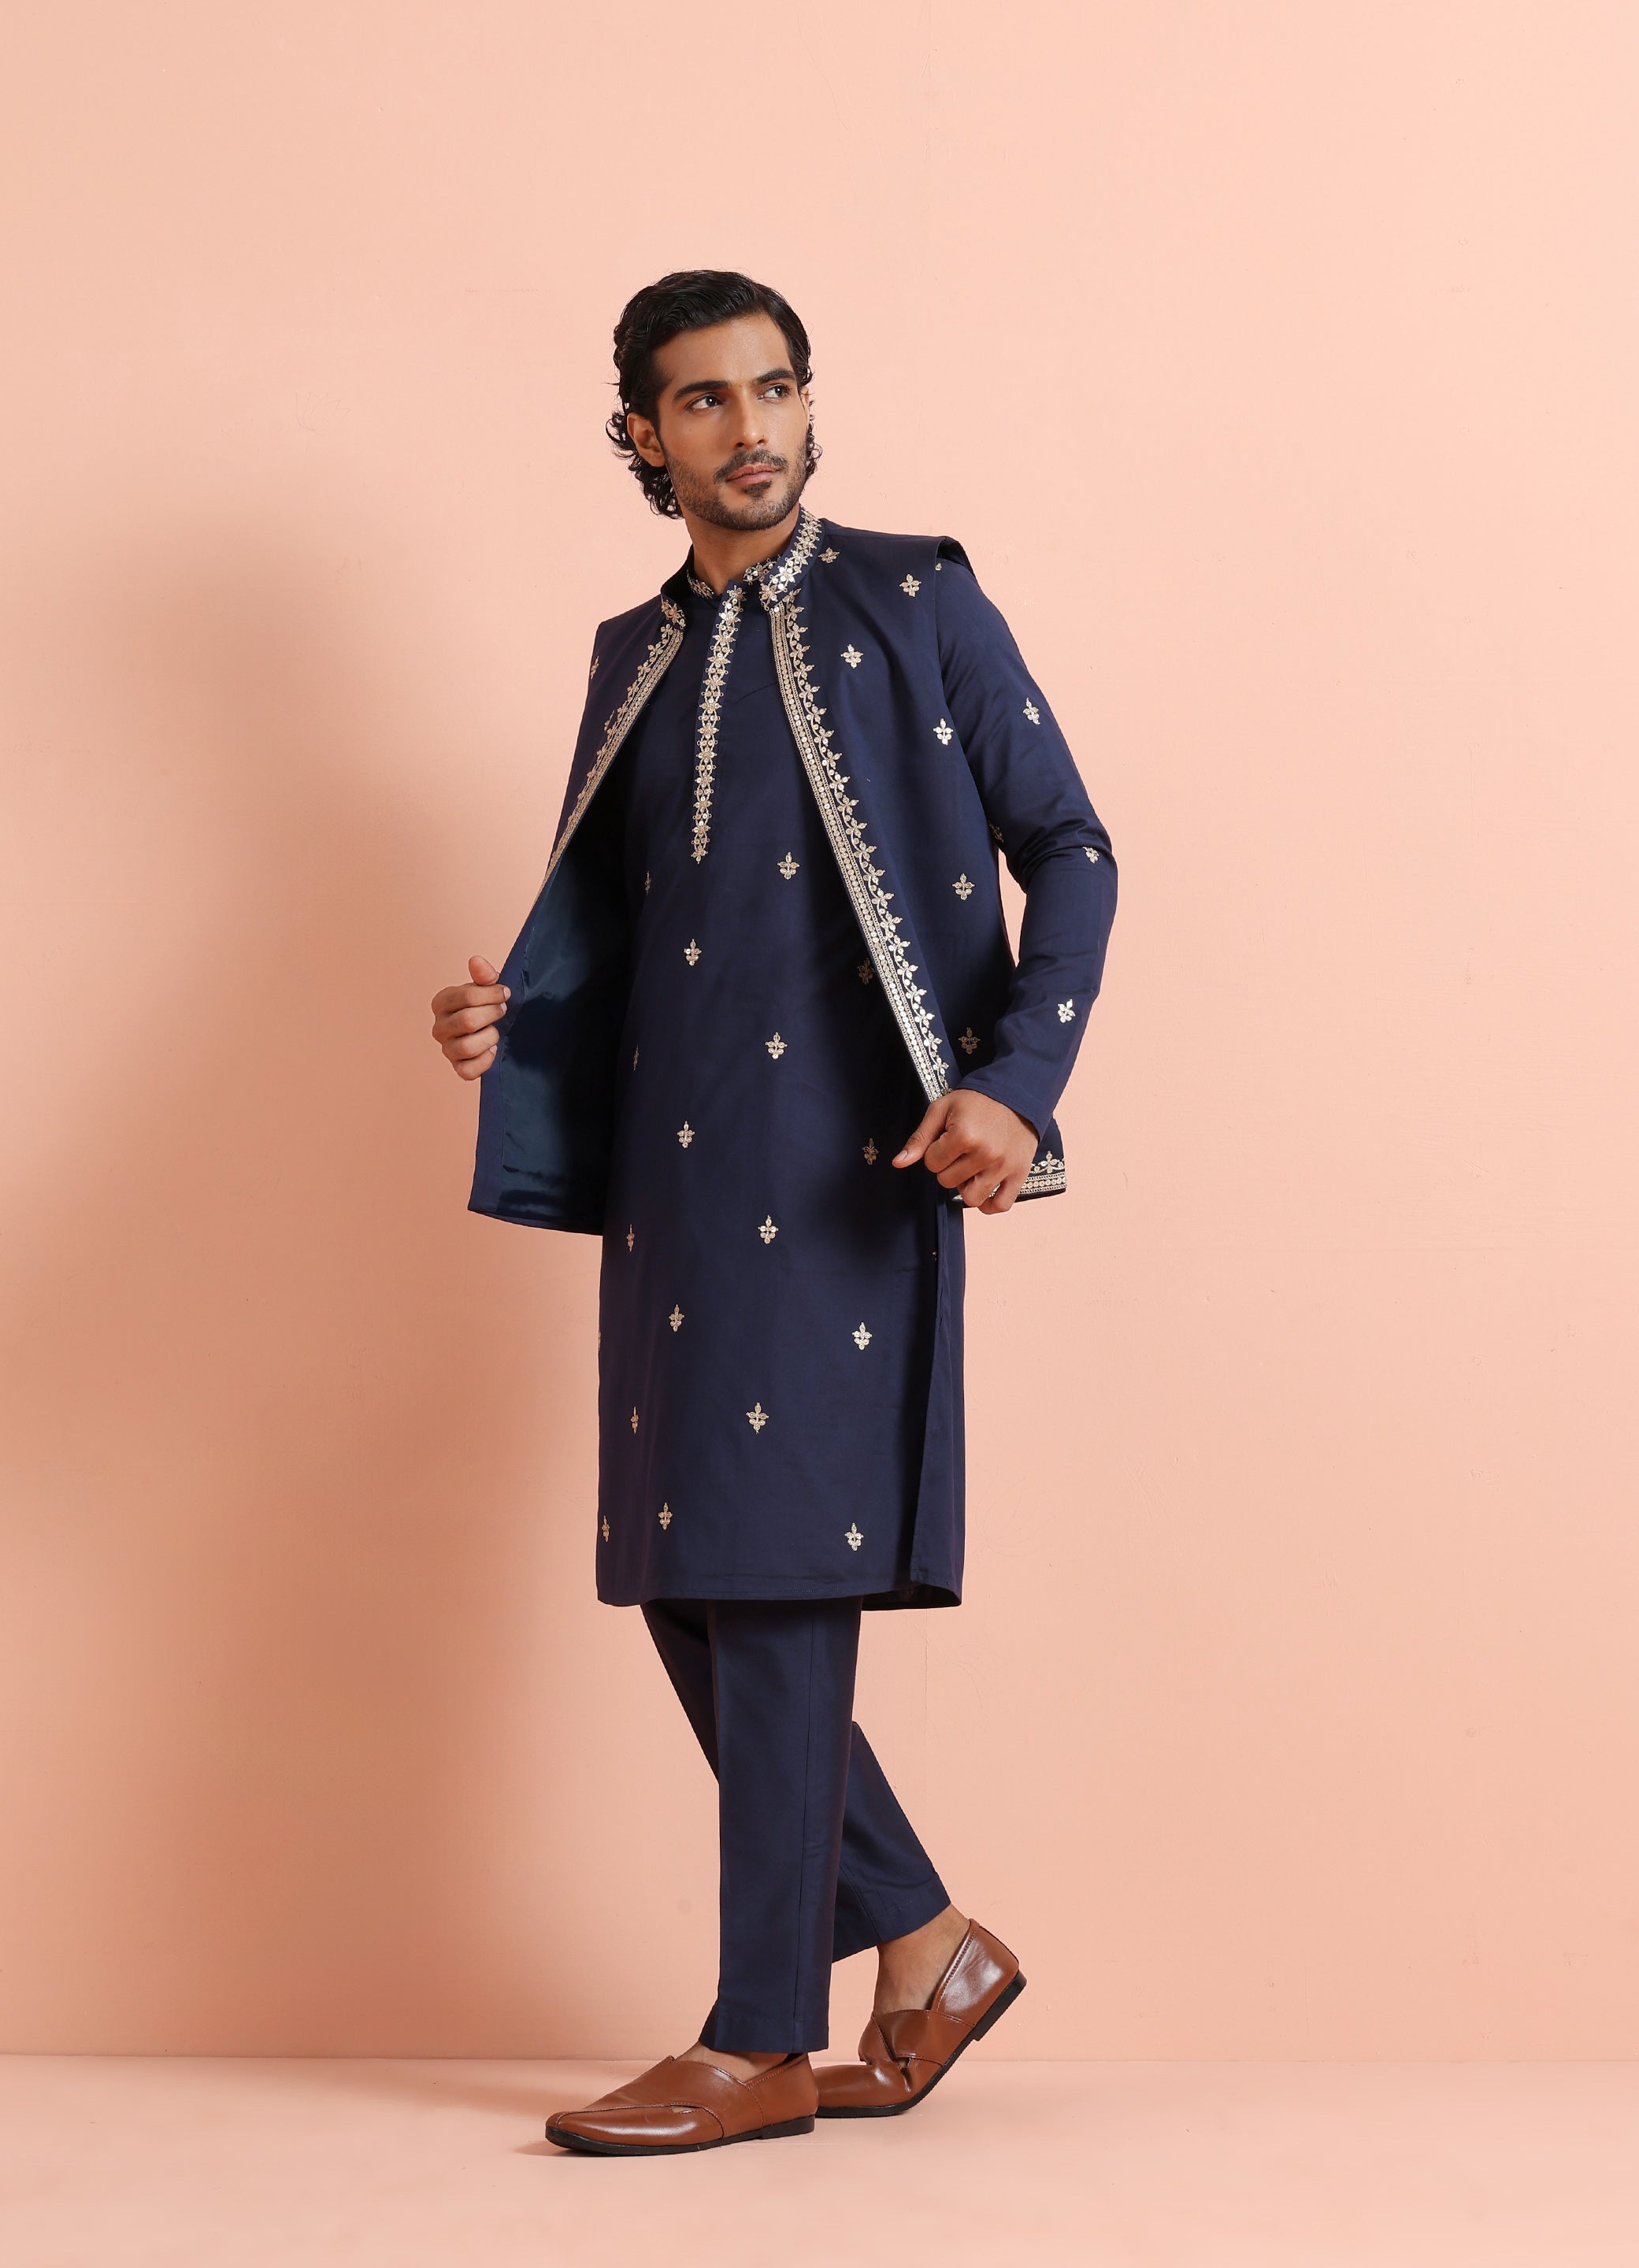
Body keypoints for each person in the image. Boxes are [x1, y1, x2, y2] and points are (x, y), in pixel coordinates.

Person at [431, 271, 1117, 2156]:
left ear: (809, 404)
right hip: (674, 1174)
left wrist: (1016, 1081)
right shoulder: (630, 655)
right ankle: (927, 1948)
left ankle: (757, 2042)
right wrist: (505, 1021)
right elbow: (630, 924)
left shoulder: (919, 600)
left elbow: (1071, 843)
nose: (751, 430)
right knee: (682, 1573)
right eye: (705, 401)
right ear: (643, 435)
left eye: (776, 389)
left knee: (781, 1569)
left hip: (847, 1169)